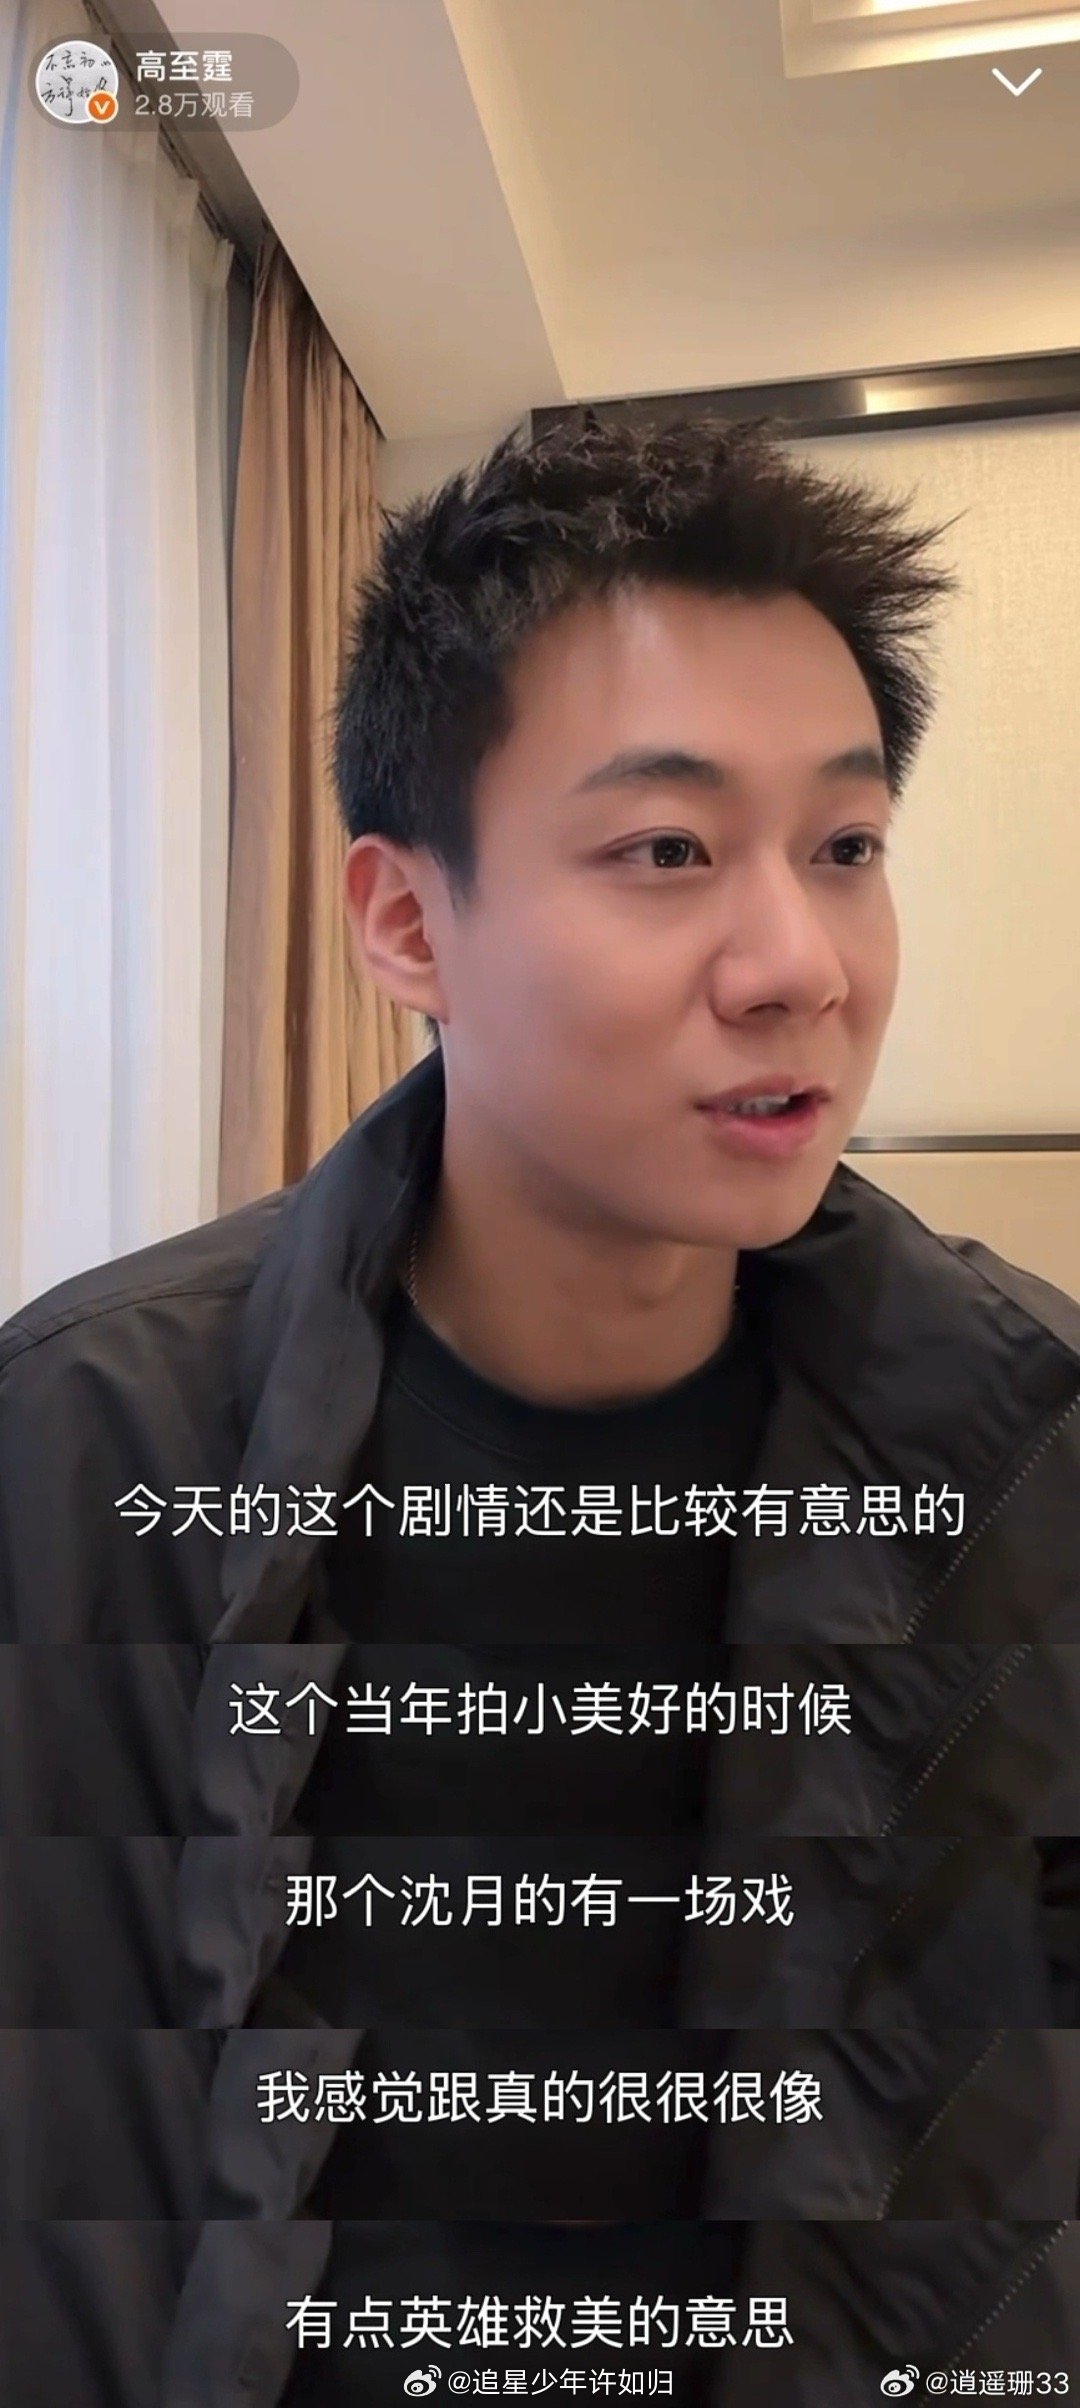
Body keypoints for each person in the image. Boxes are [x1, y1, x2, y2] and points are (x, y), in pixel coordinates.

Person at [1, 417, 1079, 2407]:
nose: (799, 964)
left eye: (845, 848)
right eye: (668, 851)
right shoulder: (91, 1442)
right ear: (409, 923)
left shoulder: (1024, 1445)